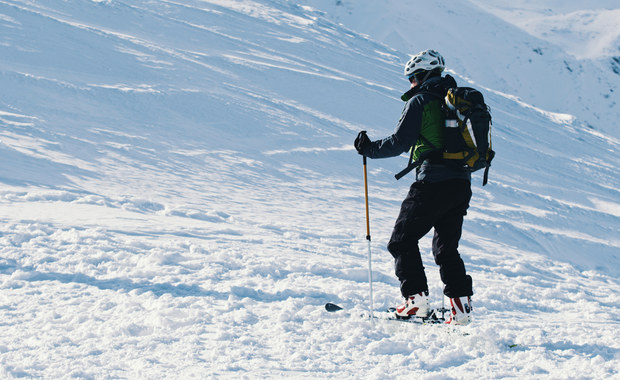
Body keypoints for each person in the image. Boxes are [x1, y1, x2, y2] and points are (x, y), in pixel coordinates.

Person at [354, 49, 473, 325]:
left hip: (432, 181)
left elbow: (399, 142)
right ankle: (461, 309)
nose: (410, 84)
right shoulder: (454, 101)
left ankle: (416, 301)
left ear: (421, 76)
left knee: (402, 239)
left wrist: (368, 149)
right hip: (461, 183)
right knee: (446, 249)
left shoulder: (421, 101)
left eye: (412, 78)